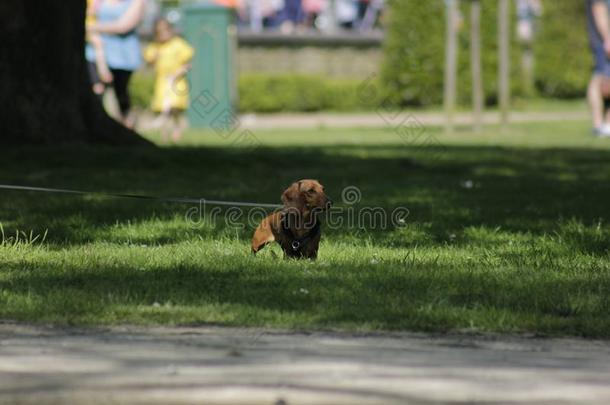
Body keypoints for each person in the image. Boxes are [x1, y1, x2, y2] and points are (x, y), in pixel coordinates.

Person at [87, 0, 146, 129]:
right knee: (96, 90)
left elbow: (123, 26)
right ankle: (96, 128)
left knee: (121, 95)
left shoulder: (136, 2)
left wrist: (91, 26)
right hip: (97, 52)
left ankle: (127, 126)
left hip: (123, 56)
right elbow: (89, 14)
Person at [144, 18, 194, 144]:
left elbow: (187, 65)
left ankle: (177, 129)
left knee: (174, 107)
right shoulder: (155, 47)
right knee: (164, 109)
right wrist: (154, 58)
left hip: (176, 82)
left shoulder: (178, 44)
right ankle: (165, 135)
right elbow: (149, 62)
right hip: (162, 81)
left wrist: (179, 72)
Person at [587, 0, 610, 137]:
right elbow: (599, 9)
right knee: (599, 79)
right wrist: (607, 38)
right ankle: (598, 124)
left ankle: (607, 124)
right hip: (603, 43)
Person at [86, 0, 113, 96]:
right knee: (98, 45)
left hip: (94, 31)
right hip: (90, 30)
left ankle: (103, 72)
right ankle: (103, 71)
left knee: (99, 47)